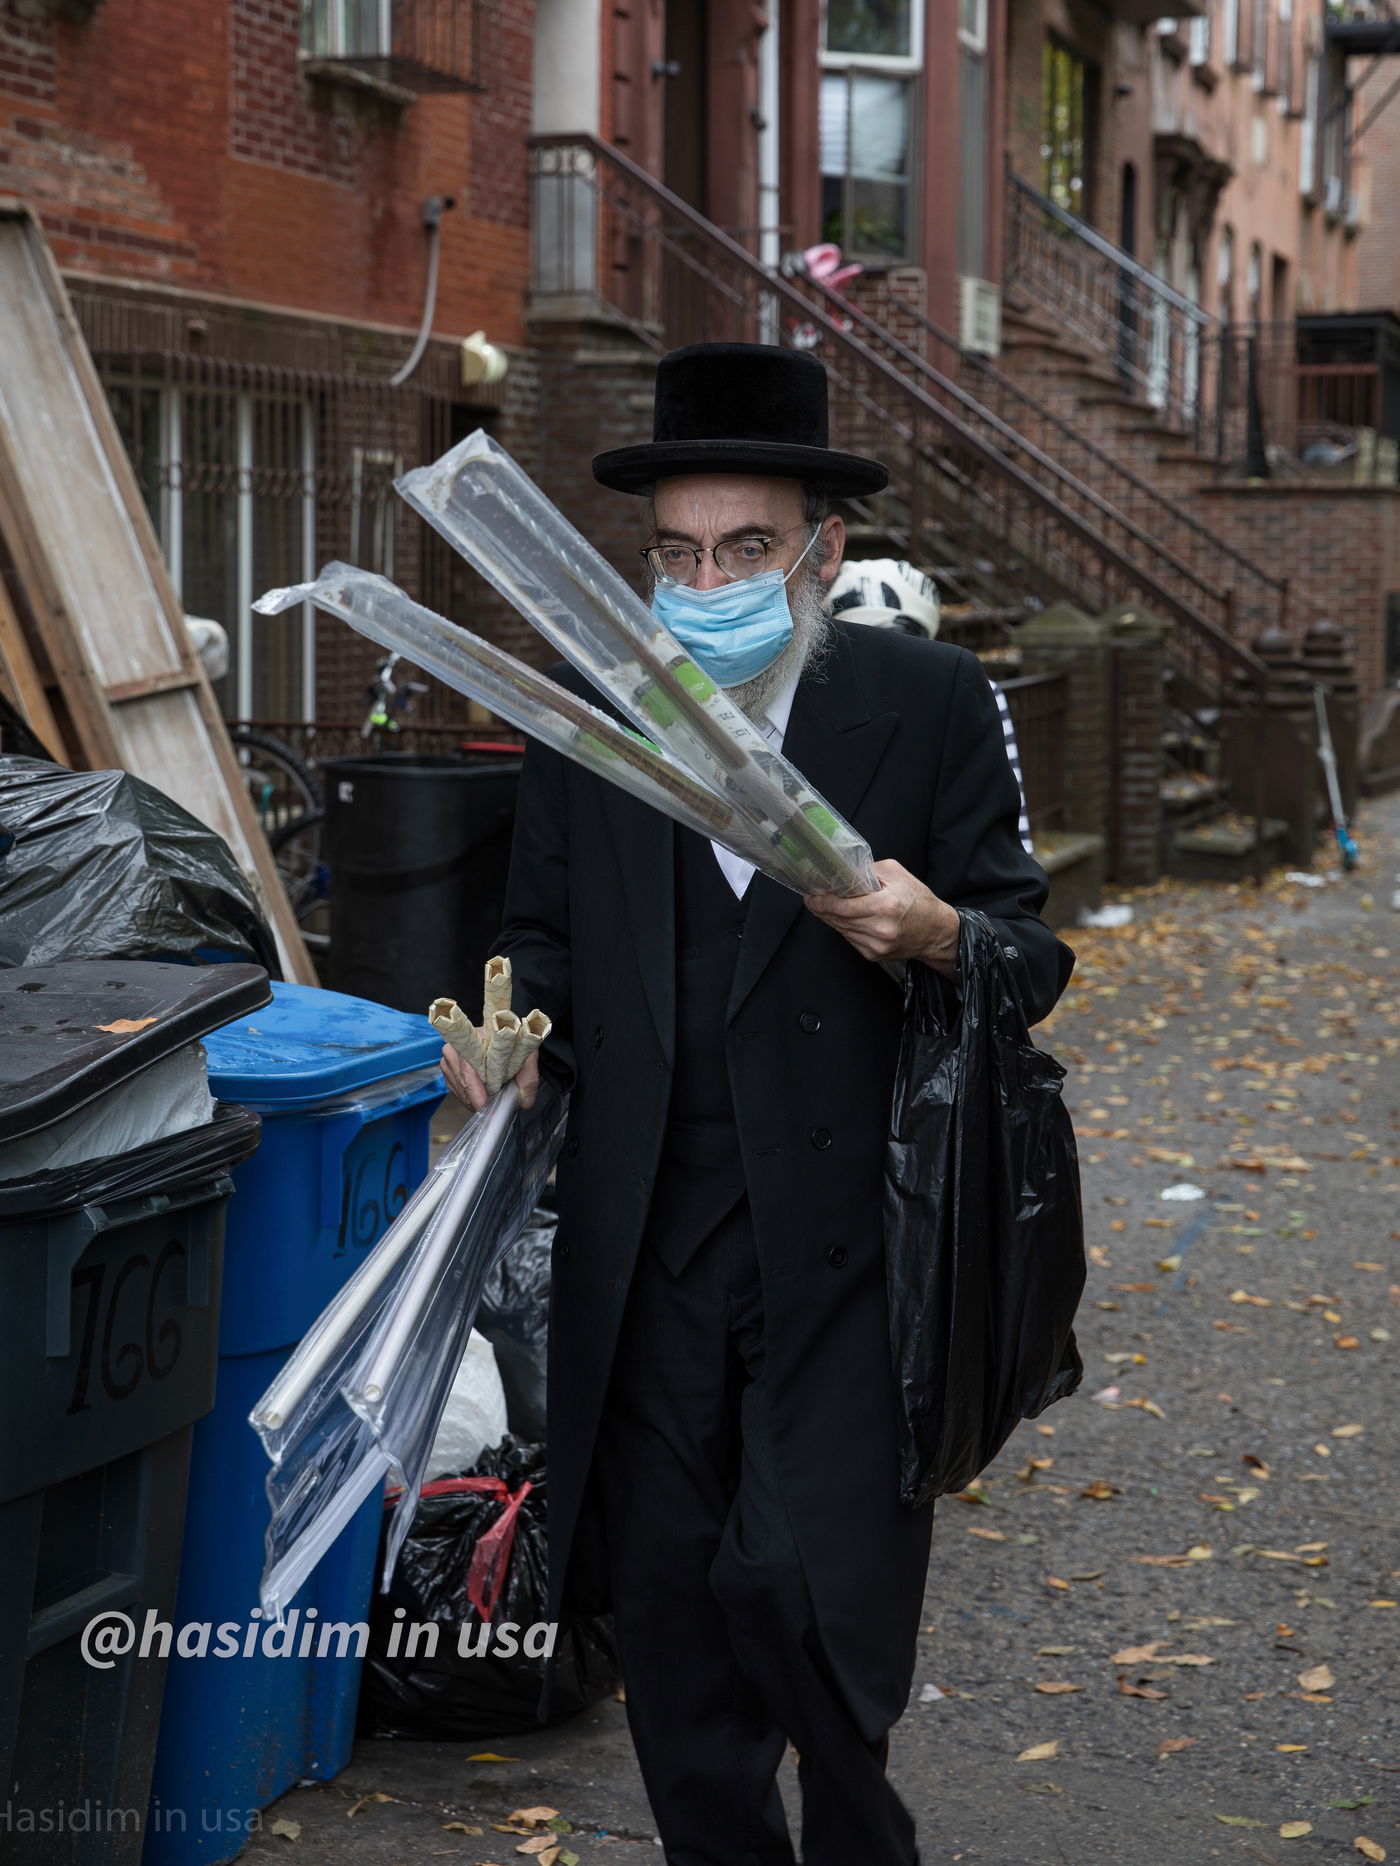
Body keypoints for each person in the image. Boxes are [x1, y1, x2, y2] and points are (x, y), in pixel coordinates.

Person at [441, 342, 1075, 1866]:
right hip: (650, 1234)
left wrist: (936, 931)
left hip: (853, 1239)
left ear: (823, 551)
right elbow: (542, 941)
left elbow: (1028, 954)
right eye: (678, 553)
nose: (707, 580)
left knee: (795, 1585)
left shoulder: (925, 702)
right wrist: (509, 1036)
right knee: (668, 1599)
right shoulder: (592, 716)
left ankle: (860, 1837)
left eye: (745, 548)